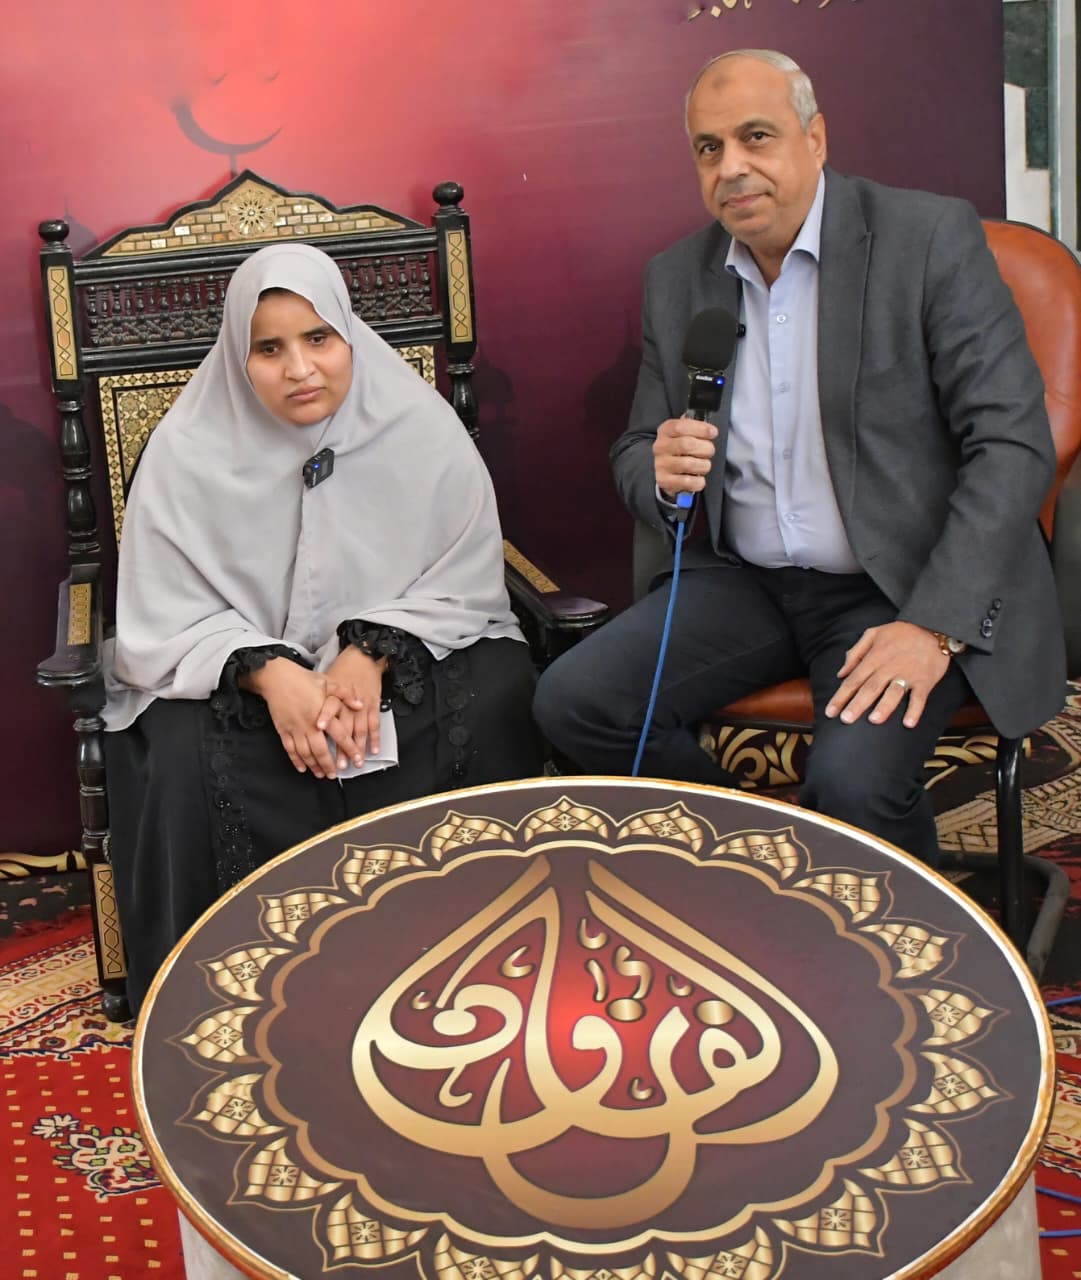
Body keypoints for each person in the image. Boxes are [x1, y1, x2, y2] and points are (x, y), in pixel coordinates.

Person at [534, 49, 1065, 865]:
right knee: (574, 704)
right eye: (708, 148)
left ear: (814, 139)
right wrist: (660, 472)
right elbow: (637, 449)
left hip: (899, 586)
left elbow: (1011, 443)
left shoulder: (926, 240)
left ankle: (905, 932)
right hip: (742, 582)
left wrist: (932, 625)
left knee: (852, 782)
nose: (731, 167)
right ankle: (756, 860)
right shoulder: (677, 278)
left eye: (755, 137)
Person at [104, 242, 542, 1014]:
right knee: (173, 748)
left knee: (496, 686)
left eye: (318, 339)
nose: (300, 369)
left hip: (394, 657)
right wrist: (274, 675)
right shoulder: (184, 453)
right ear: (238, 358)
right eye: (269, 349)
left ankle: (479, 939)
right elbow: (164, 614)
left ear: (348, 335)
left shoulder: (419, 427)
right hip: (240, 675)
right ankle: (218, 988)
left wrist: (368, 654)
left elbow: (461, 576)